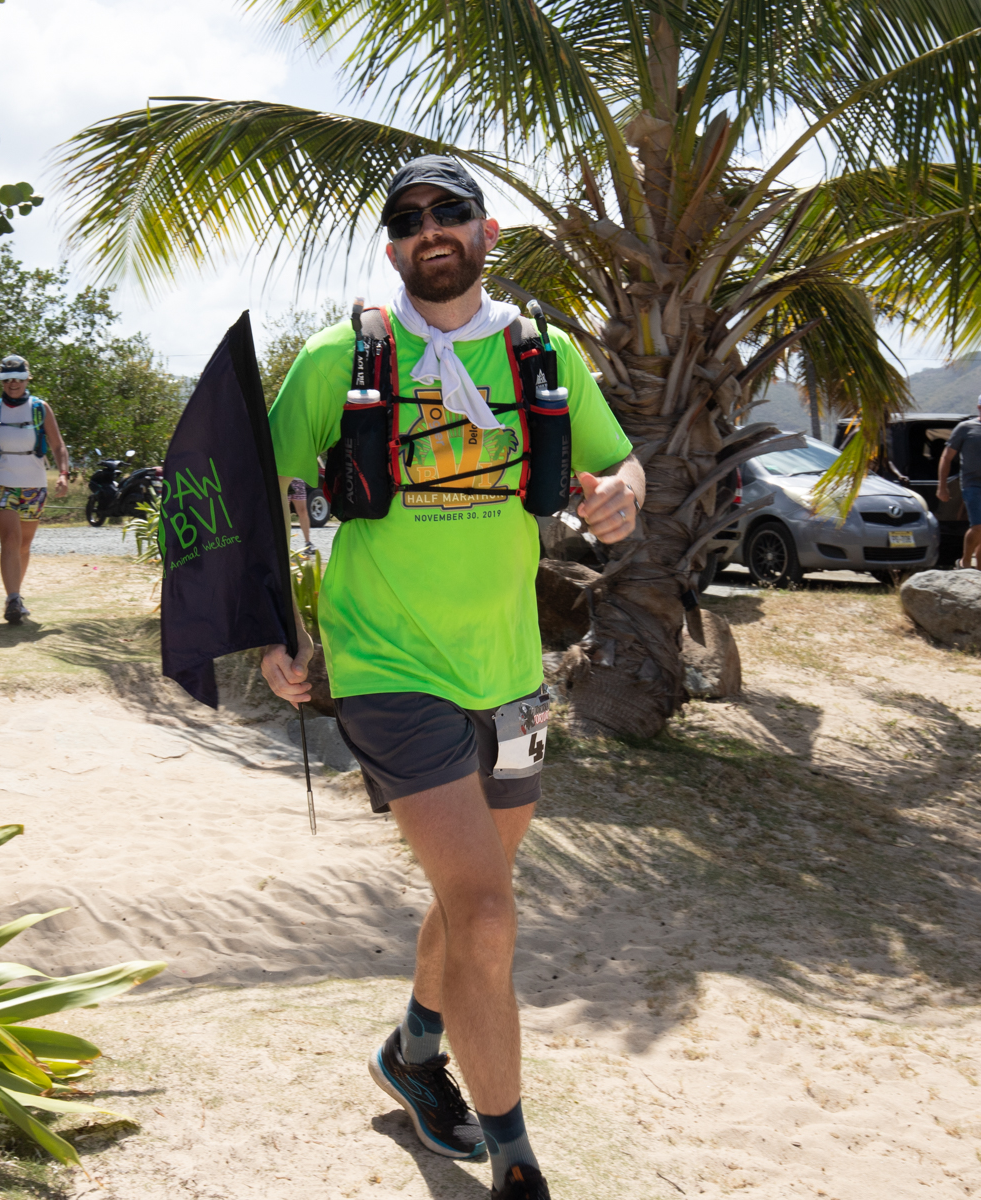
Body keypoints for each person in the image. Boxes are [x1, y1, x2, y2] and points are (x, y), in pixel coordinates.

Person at [260, 157, 645, 1200]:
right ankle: (515, 1157)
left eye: (450, 212)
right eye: (408, 218)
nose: (430, 228)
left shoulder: (542, 352)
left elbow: (619, 463)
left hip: (510, 673)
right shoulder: (340, 359)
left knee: (472, 894)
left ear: (487, 232)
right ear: (391, 248)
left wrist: (621, 497)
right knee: (482, 915)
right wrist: (272, 633)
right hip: (389, 670)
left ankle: (414, 1050)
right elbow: (252, 492)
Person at [0, 355, 70, 624]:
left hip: (34, 484)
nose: (12, 383)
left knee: (23, 545)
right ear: (1, 381)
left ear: (27, 379)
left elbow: (58, 446)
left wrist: (64, 474)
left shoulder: (40, 408)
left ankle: (15, 597)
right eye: (7, 379)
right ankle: (13, 599)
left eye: (18, 378)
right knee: (10, 538)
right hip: (0, 482)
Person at [940, 393, 981, 572]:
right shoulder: (965, 428)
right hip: (973, 485)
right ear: (979, 408)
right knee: (978, 526)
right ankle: (965, 561)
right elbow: (947, 457)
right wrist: (942, 486)